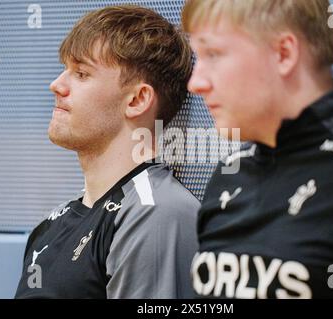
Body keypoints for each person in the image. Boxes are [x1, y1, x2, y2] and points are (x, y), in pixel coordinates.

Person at [182, 0, 333, 298]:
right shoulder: (229, 175)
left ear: (284, 53)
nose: (195, 83)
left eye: (213, 54)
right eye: (197, 58)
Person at [15, 4, 199, 299]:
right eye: (65, 69)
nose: (56, 85)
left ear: (138, 99)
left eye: (81, 73)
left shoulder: (155, 213)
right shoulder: (50, 227)